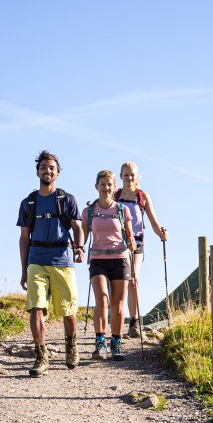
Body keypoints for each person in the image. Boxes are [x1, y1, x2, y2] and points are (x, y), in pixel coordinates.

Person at [17, 151, 84, 376]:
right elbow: (24, 237)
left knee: (69, 311)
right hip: (36, 260)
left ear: (57, 172)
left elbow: (77, 228)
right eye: (44, 167)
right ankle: (40, 355)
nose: (48, 171)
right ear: (37, 172)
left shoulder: (67, 200)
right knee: (36, 308)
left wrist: (80, 247)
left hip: (63, 260)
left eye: (52, 168)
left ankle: (71, 347)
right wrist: (24, 269)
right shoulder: (29, 203)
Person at [83, 170, 135, 360]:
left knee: (118, 304)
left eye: (110, 184)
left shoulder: (122, 210)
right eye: (103, 184)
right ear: (96, 186)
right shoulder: (88, 212)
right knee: (102, 300)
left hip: (120, 259)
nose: (106, 188)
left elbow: (129, 235)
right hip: (98, 260)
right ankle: (100, 343)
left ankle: (116, 342)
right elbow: (83, 234)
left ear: (115, 188)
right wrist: (79, 247)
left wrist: (132, 243)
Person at [116, 161, 169, 338]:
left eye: (132, 175)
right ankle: (118, 321)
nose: (129, 177)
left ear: (137, 176)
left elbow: (154, 223)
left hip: (137, 243)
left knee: (133, 279)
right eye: (126, 174)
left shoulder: (142, 196)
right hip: (116, 244)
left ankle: (134, 322)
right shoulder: (115, 196)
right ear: (121, 176)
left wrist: (161, 233)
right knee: (118, 283)